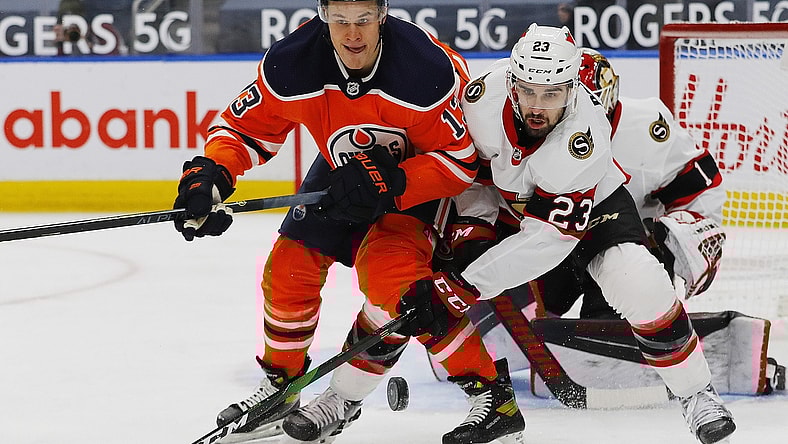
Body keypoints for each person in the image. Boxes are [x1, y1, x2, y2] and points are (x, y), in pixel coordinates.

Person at [172, 1, 524, 443]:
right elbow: (241, 130)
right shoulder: (292, 62)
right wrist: (210, 175)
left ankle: (495, 398)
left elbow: (458, 164)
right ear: (323, 16)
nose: (351, 34)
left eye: (362, 21)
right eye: (340, 21)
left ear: (382, 15)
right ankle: (280, 391)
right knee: (287, 270)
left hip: (416, 175)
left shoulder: (425, 70)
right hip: (345, 168)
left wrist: (391, 182)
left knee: (394, 286)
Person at [397, 24, 735, 444]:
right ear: (511, 81)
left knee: (639, 280)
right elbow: (467, 175)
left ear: (572, 90)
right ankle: (479, 400)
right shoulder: (480, 101)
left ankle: (697, 394)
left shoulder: (583, 139)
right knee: (432, 280)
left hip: (593, 212)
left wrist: (465, 284)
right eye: (529, 91)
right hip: (515, 211)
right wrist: (471, 235)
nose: (537, 106)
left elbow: (547, 241)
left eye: (552, 94)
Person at [505, 47, 727, 320]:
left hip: (628, 247)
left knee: (612, 318)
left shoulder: (647, 130)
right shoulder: (532, 130)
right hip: (561, 242)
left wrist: (684, 231)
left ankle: (636, 335)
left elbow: (700, 185)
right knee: (522, 315)